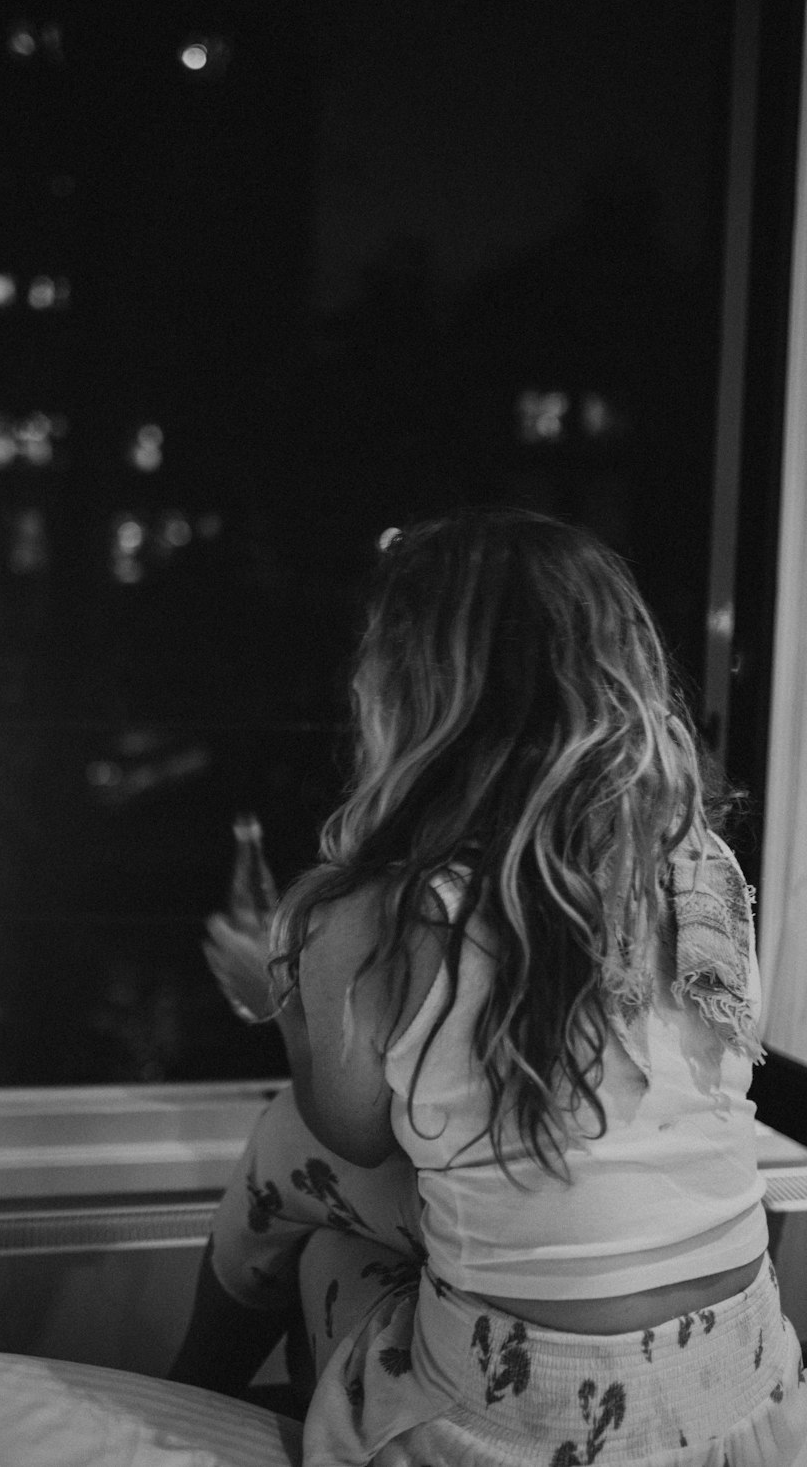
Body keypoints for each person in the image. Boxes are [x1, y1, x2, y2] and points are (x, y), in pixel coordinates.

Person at [170, 509, 807, 1465]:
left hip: (518, 1431)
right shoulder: (698, 867)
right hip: (744, 1404)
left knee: (313, 1216)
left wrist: (285, 987)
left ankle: (183, 1398)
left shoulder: (375, 916)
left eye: (374, 654)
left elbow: (347, 1129)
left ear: (417, 694)